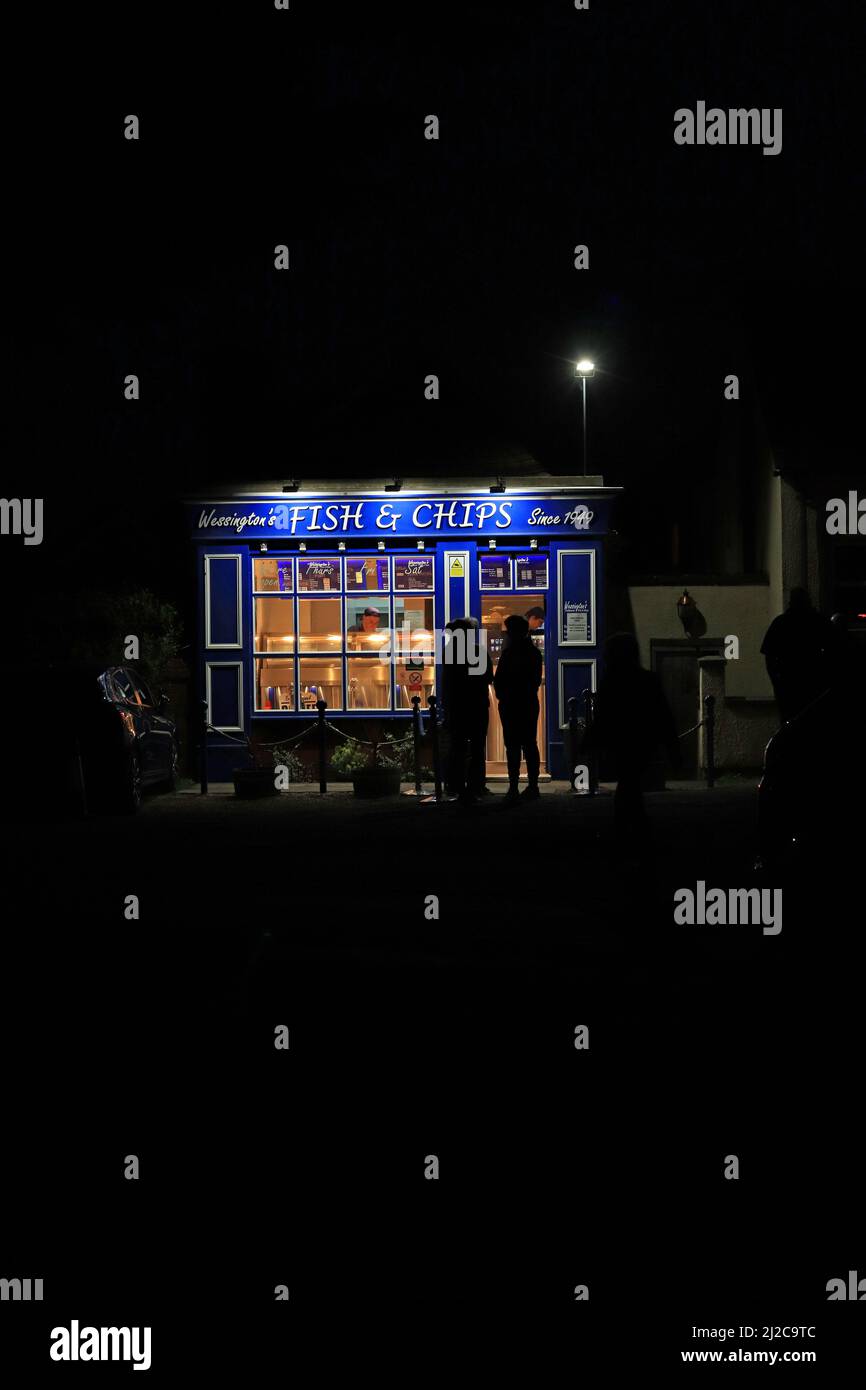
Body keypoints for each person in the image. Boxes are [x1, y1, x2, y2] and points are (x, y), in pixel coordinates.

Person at [587, 632, 680, 846]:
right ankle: (637, 832)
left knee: (627, 785)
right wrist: (673, 748)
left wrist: (591, 742)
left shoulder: (610, 681)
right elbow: (663, 714)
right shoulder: (648, 679)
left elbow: (602, 715)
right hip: (642, 741)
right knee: (631, 784)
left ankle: (630, 833)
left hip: (620, 741)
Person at [760, 587, 834, 723]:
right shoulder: (818, 622)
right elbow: (834, 650)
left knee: (790, 724)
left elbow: (769, 656)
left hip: (789, 684)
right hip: (813, 683)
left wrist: (776, 681)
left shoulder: (780, 623)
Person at [442, 617, 493, 804]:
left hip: (457, 707)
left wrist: (447, 706)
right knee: (478, 747)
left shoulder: (449, 653)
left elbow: (447, 684)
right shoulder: (478, 651)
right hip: (477, 705)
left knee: (458, 747)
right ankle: (476, 785)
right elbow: (488, 677)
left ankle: (456, 786)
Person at [493, 613, 543, 803]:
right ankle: (533, 785)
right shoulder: (534, 653)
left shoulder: (508, 653)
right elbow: (535, 681)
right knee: (530, 744)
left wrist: (502, 695)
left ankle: (514, 786)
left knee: (512, 745)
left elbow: (499, 679)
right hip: (528, 702)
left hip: (511, 703)